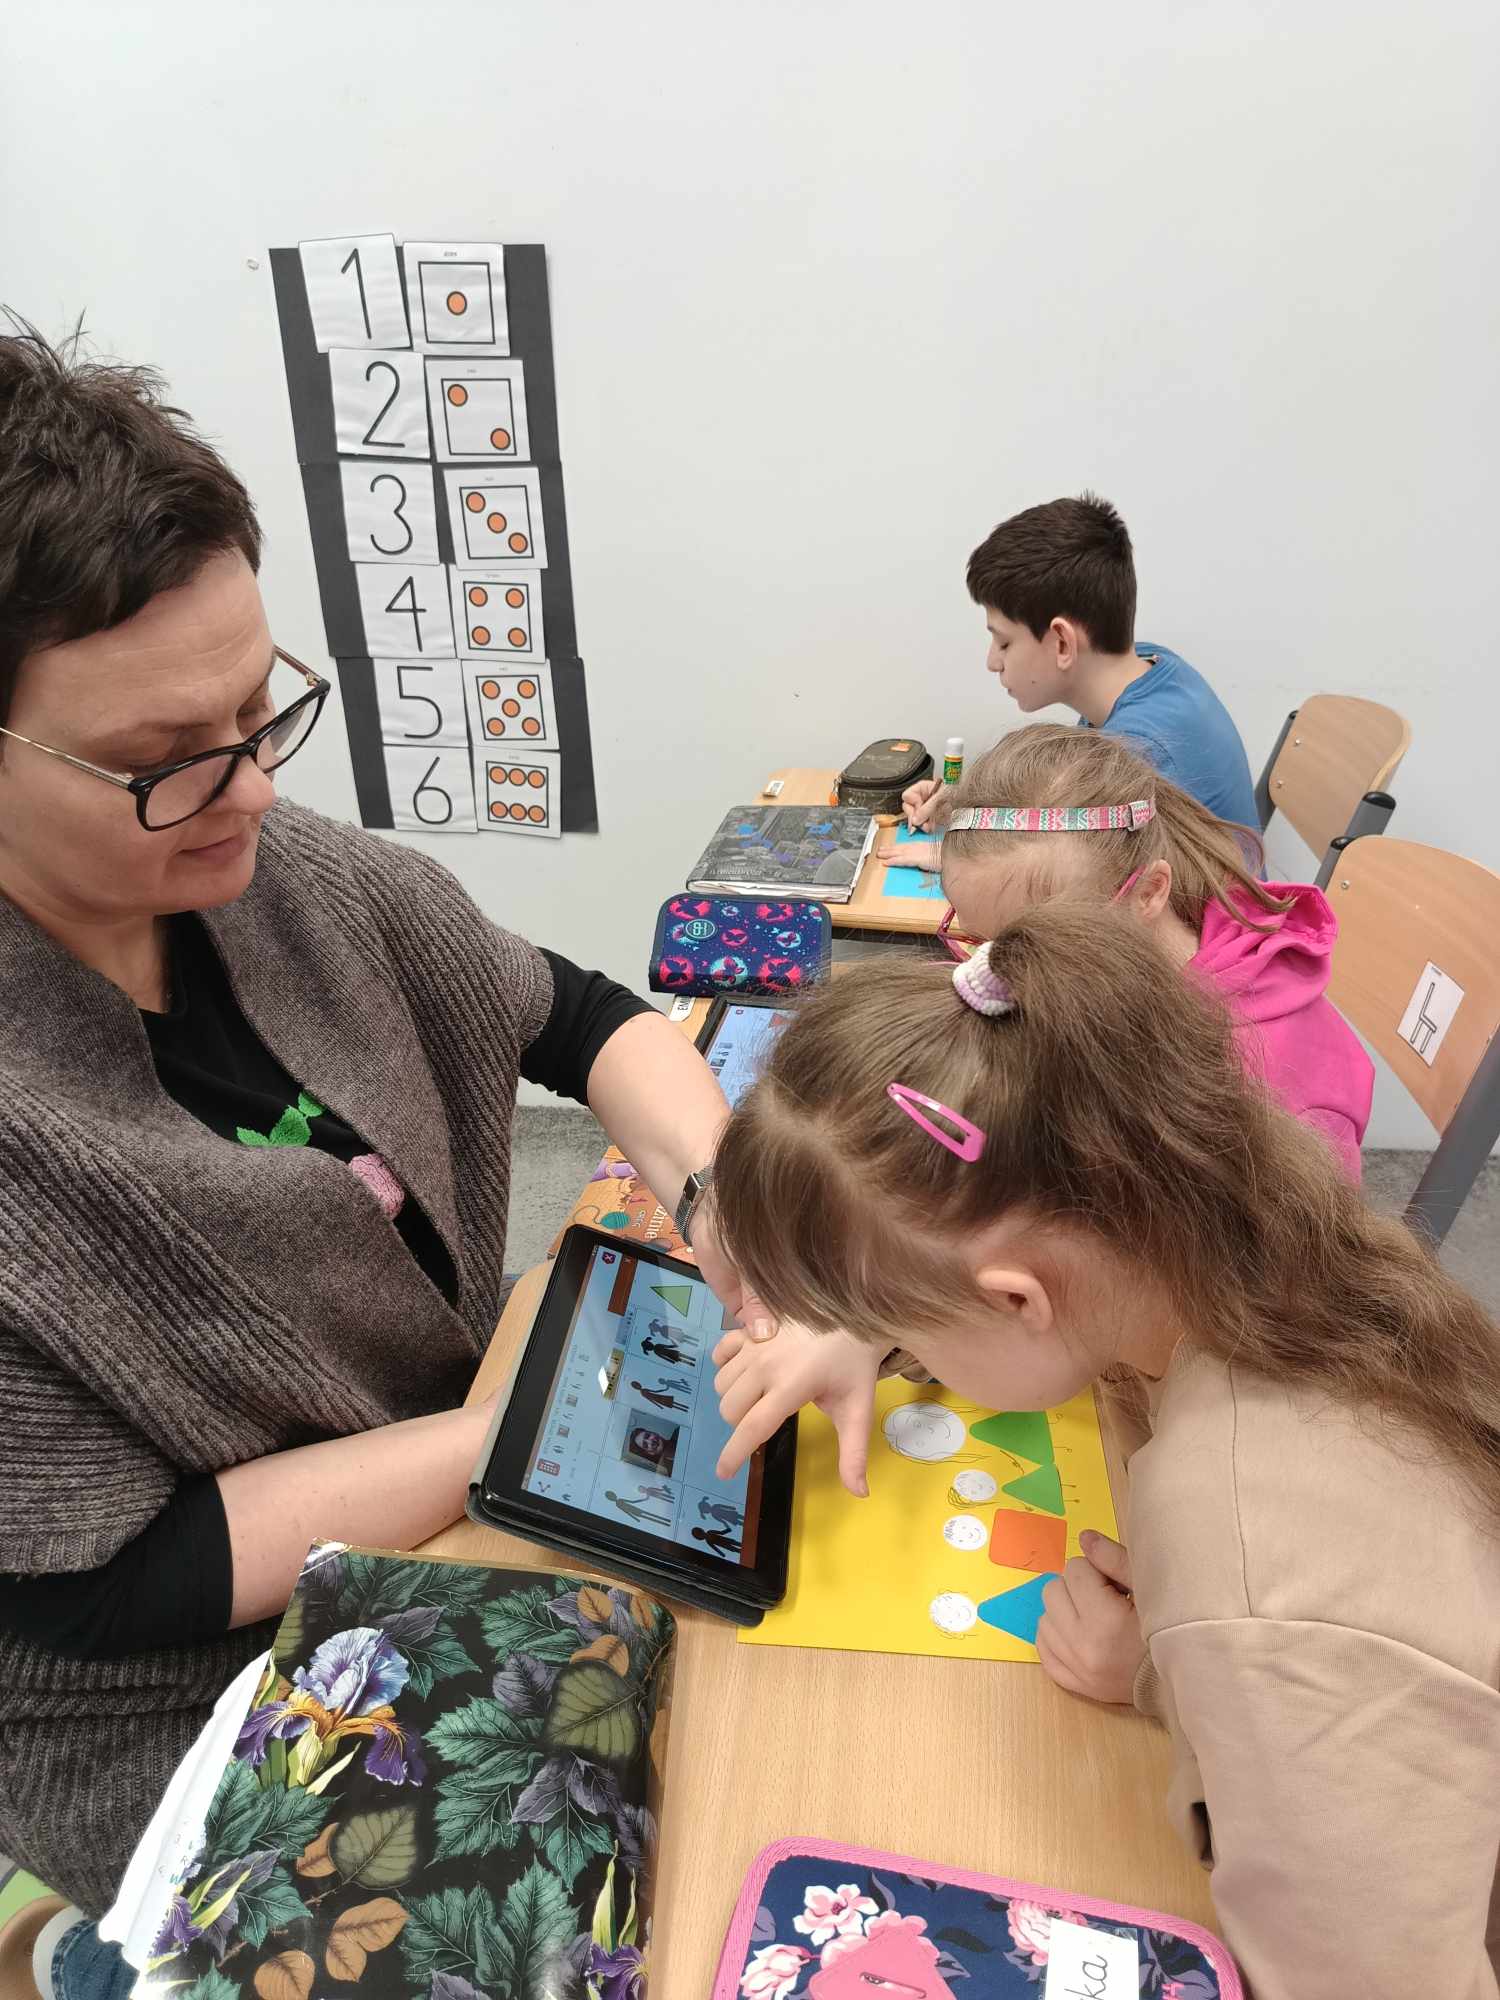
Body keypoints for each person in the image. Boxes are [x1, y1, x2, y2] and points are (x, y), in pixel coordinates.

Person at [0, 327, 739, 1934]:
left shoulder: (272, 868)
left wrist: (737, 1214)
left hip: (436, 1470)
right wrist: (521, 1435)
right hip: (174, 1691)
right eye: (159, 763)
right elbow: (107, 1586)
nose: (252, 791)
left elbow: (577, 1014)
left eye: (259, 709)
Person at [704, 906, 1500, 1995]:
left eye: (897, 1323)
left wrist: (1178, 1674)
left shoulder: (1251, 1568)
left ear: (1019, 1299)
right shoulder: (1209, 1224)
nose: (889, 1347)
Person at [933, 725, 1372, 1178]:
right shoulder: (1108, 959)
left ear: (1148, 892)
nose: (993, 975)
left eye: (1029, 949)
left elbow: (1285, 1227)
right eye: (976, 940)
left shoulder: (1268, 1092)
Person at [898, 494, 1258, 852]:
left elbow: (1072, 871)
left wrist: (953, 855)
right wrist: (966, 807)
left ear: (1062, 644)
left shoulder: (1140, 755)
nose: (993, 661)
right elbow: (1064, 805)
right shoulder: (1150, 665)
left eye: (1004, 642)